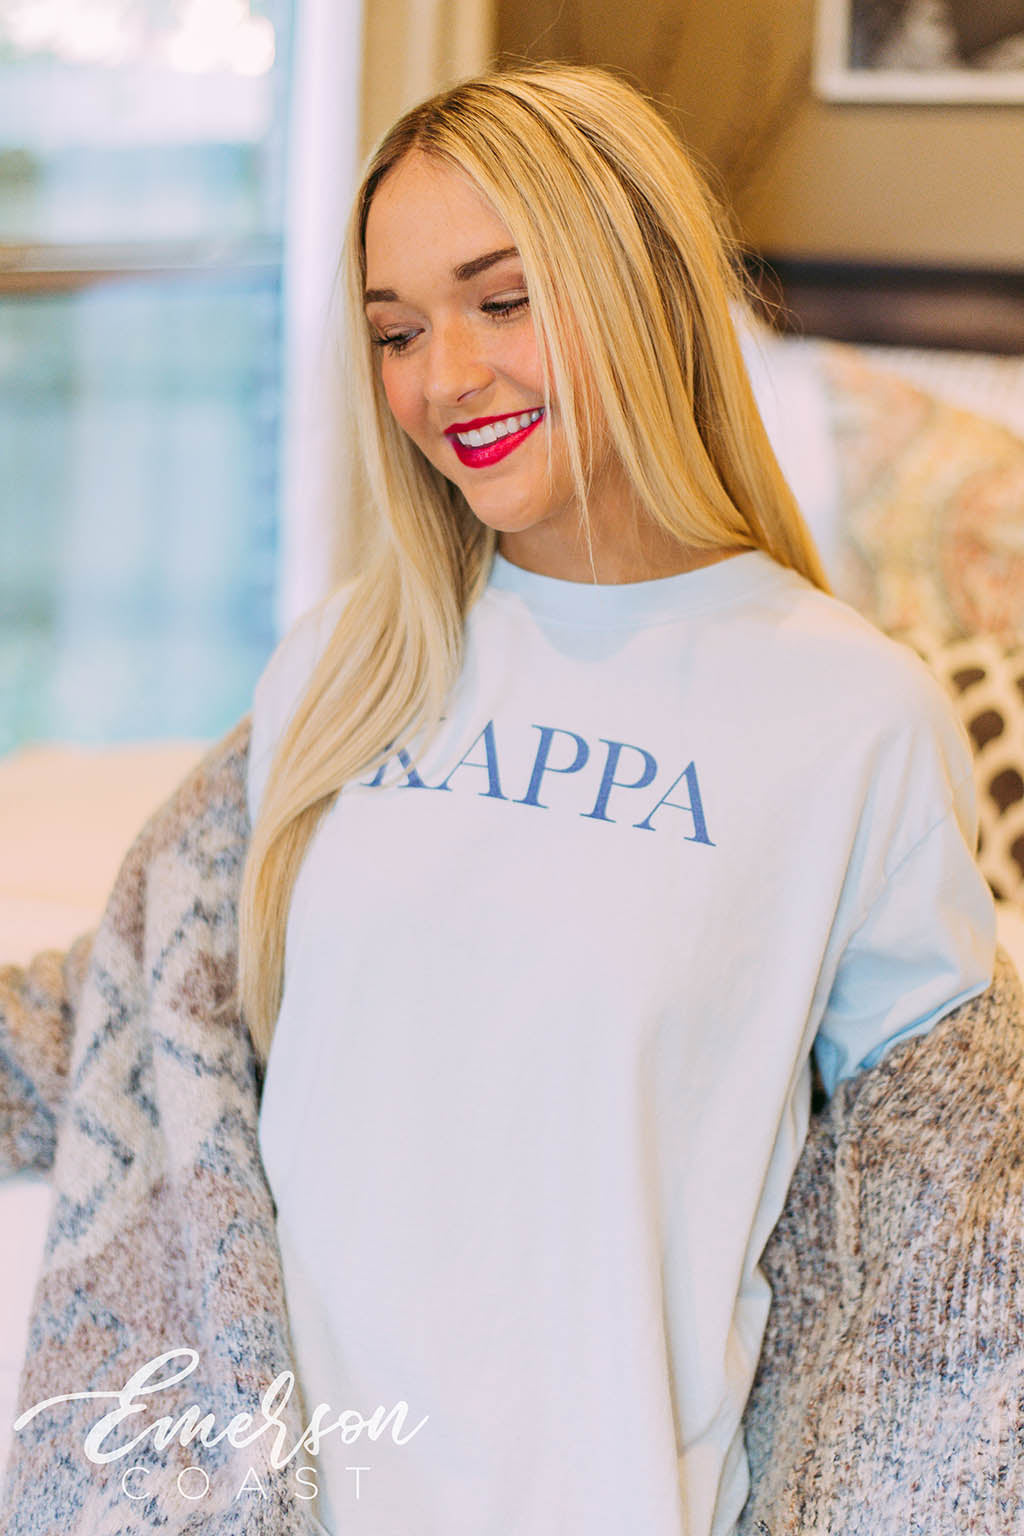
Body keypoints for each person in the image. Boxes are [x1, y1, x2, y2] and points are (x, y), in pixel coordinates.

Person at [0, 61, 1007, 1536]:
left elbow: (936, 1240)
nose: (444, 379)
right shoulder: (347, 664)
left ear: (641, 288)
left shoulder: (852, 721)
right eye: (397, 331)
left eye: (502, 300)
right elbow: (150, 998)